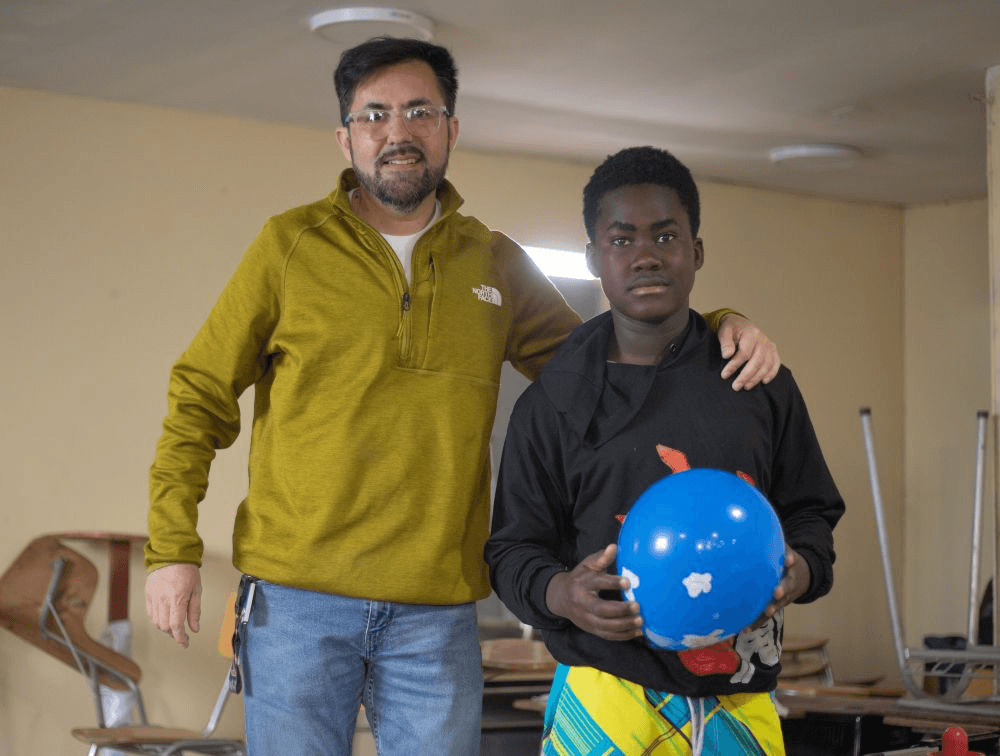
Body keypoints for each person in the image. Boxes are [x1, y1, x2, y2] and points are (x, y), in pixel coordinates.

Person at [143, 38, 781, 756]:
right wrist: (172, 551)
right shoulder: (288, 246)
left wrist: (717, 324)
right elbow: (199, 394)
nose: (398, 131)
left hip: (437, 616)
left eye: (420, 111)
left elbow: (609, 362)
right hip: (295, 605)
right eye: (374, 114)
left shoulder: (494, 260)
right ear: (346, 138)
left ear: (450, 129)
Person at [485, 146, 845, 755]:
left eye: (665, 235)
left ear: (696, 252)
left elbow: (812, 514)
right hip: (604, 693)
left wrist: (799, 570)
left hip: (740, 695)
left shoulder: (757, 381)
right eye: (621, 239)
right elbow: (511, 550)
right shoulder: (553, 401)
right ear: (595, 258)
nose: (646, 255)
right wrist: (563, 594)